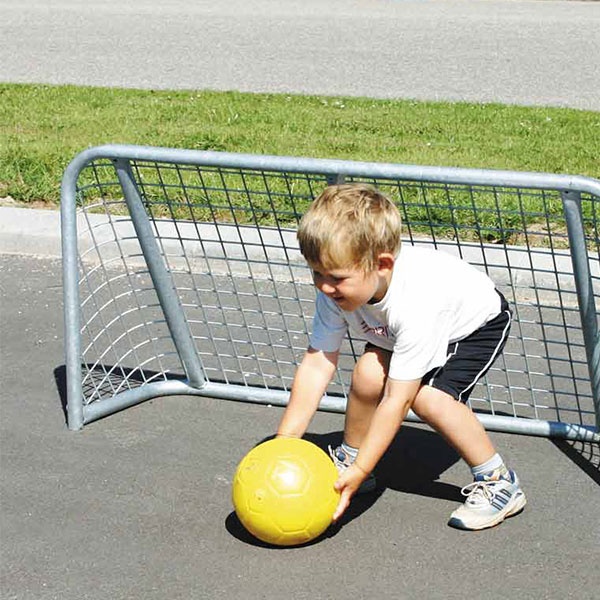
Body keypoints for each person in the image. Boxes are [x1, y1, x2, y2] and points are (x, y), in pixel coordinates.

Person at [275, 183, 526, 530]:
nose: (324, 286)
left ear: (382, 264)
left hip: (472, 326)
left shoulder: (416, 304)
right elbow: (318, 362)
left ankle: (499, 481)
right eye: (316, 273)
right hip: (394, 328)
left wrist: (364, 467)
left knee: (429, 399)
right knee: (367, 373)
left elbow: (397, 399)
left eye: (335, 277)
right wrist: (285, 442)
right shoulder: (336, 289)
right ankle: (350, 458)